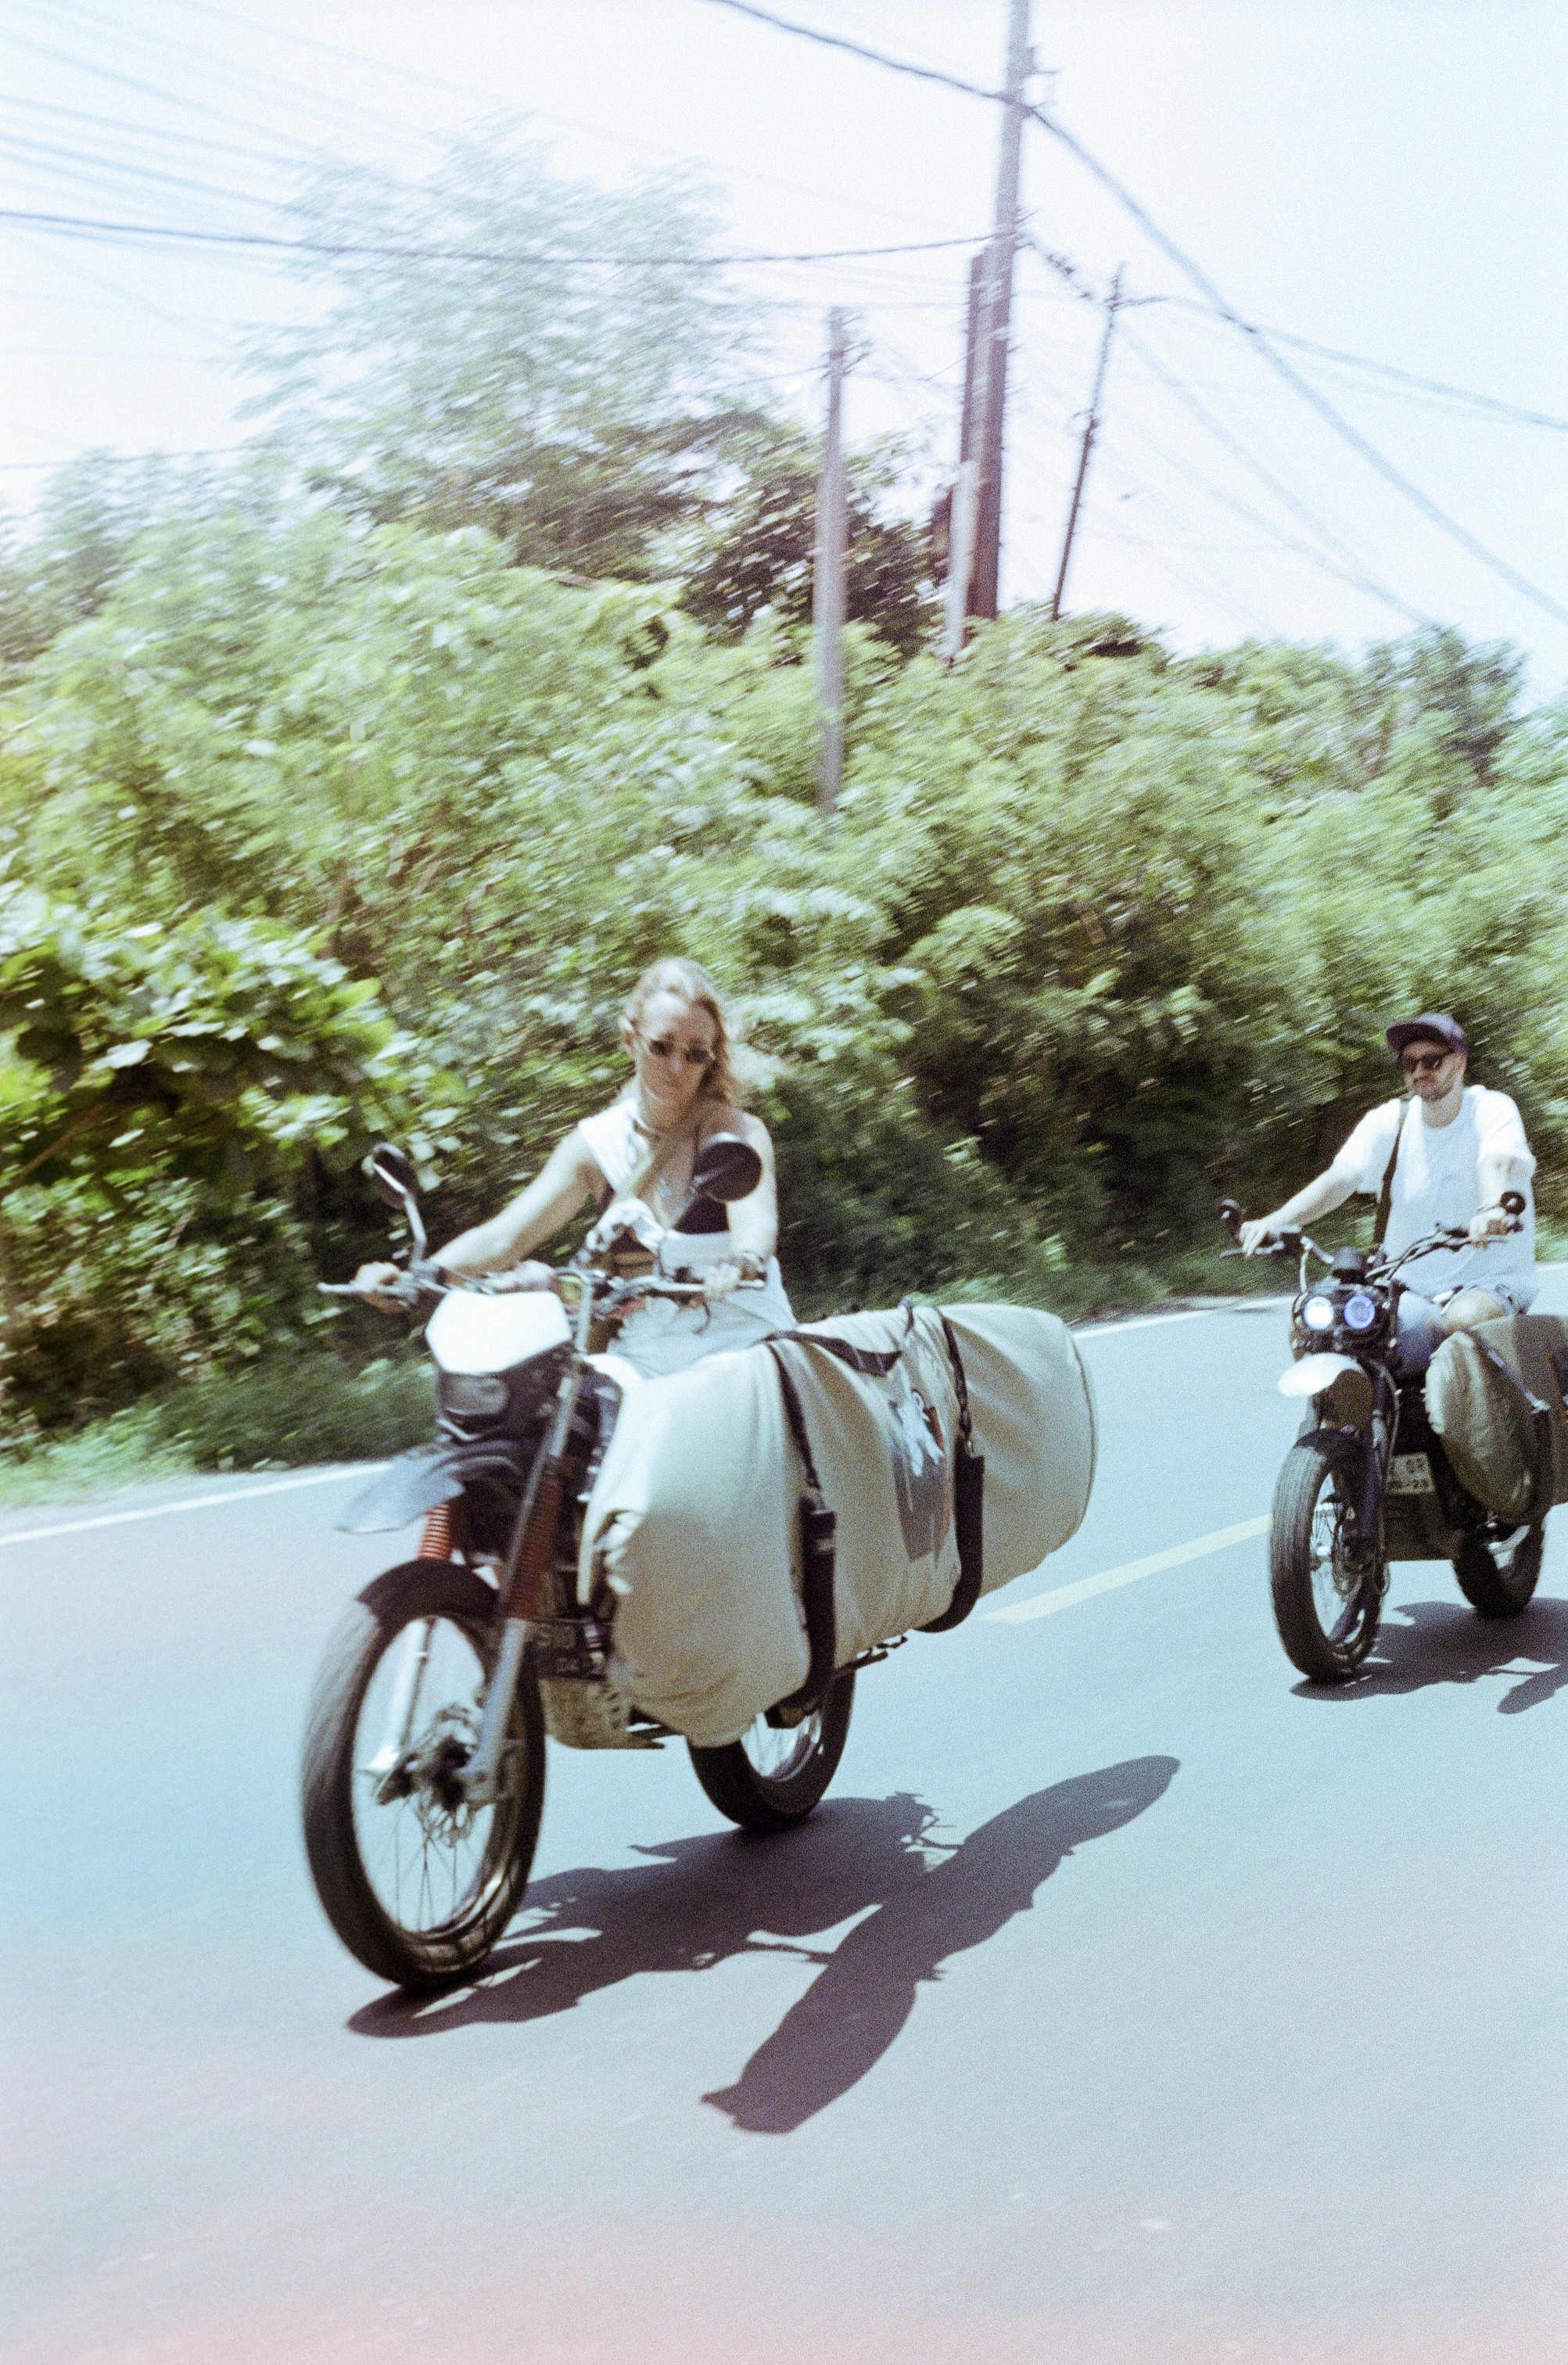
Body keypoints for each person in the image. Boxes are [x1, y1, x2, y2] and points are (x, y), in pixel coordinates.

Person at [353, 956, 796, 1378]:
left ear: (711, 1057)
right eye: (662, 1047)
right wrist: (418, 1277)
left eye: (695, 1054)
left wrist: (741, 1264)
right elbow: (506, 1236)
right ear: (630, 1039)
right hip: (644, 1356)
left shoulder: (736, 1133)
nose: (676, 1066)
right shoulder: (595, 1146)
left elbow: (756, 1230)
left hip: (742, 1344)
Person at [1239, 1011, 1537, 1367]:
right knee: (1315, 1320)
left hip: (1488, 1281)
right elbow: (1341, 1179)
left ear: (1458, 1063)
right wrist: (1275, 1221)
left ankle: (1482, 1422)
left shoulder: (1490, 1108)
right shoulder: (1390, 1121)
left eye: (1431, 1060)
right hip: (1405, 1285)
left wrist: (1492, 1209)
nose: (1419, 1071)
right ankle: (1336, 1415)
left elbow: (1497, 1162)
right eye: (1408, 1063)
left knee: (1461, 1323)